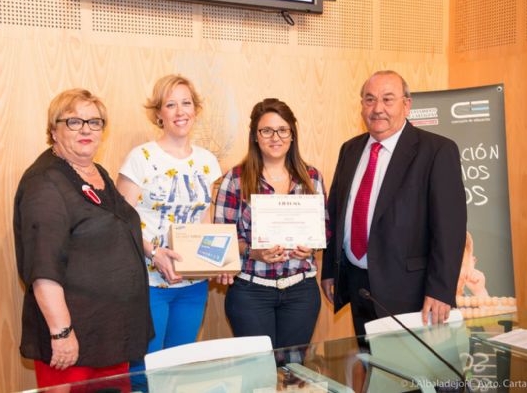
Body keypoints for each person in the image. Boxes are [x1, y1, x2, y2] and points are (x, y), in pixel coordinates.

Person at [13, 89, 153, 390]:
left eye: (95, 122)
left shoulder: (96, 172)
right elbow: (43, 267)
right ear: (54, 130)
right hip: (73, 342)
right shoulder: (45, 183)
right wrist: (61, 334)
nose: (86, 129)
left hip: (112, 335)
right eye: (74, 122)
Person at [321, 70, 467, 338]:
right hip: (358, 285)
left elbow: (450, 230)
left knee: (413, 374)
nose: (378, 109)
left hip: (411, 292)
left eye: (388, 99)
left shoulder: (436, 151)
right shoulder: (350, 149)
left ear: (406, 104)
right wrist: (331, 270)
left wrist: (440, 290)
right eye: (369, 99)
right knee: (371, 365)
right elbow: (337, 213)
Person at [116, 75, 222, 367]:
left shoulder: (207, 161)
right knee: (145, 367)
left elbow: (206, 219)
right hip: (148, 282)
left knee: (179, 366)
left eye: (186, 103)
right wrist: (153, 252)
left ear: (196, 109)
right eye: (171, 104)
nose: (180, 112)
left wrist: (221, 262)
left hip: (192, 284)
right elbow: (119, 224)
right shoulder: (141, 158)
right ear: (159, 114)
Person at [214, 98, 329, 349]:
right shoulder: (235, 179)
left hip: (301, 291)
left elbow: (324, 231)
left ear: (292, 134)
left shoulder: (311, 178)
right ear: (255, 136)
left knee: (293, 371)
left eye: (282, 130)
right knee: (258, 373)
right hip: (251, 292)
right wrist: (252, 252)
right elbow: (222, 239)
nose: (275, 137)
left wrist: (312, 247)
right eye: (266, 130)